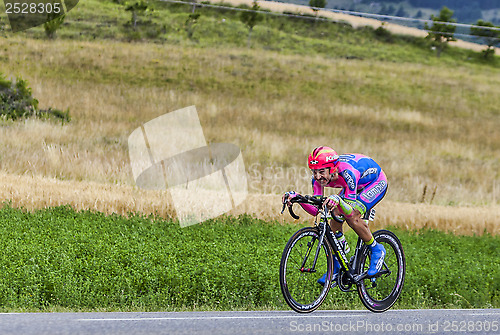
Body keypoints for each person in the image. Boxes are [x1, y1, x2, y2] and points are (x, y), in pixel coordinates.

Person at [283, 146, 388, 286]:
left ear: (332, 169)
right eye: (314, 172)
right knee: (333, 210)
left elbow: (349, 211)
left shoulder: (347, 173)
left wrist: (338, 200)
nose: (318, 177)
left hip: (374, 182)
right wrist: (298, 198)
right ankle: (338, 263)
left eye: (321, 172)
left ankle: (376, 248)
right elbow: (316, 209)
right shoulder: (317, 180)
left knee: (352, 215)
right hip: (353, 185)